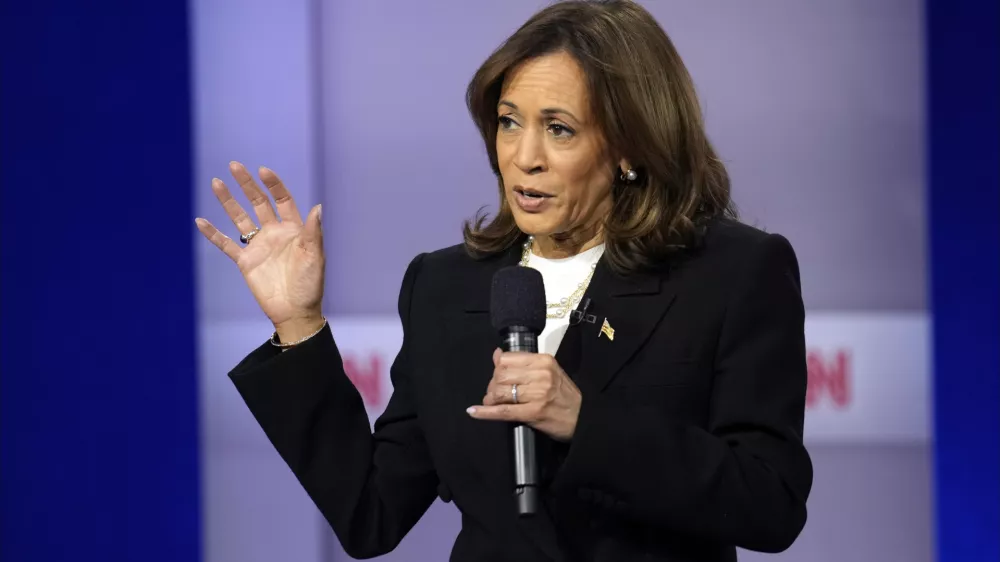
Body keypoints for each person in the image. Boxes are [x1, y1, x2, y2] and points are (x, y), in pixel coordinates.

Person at [195, 1, 813, 560]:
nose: (524, 156)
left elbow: (769, 501)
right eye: (509, 121)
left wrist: (586, 424)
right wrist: (298, 324)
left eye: (559, 128)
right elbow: (372, 514)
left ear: (629, 147)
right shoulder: (445, 285)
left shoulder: (728, 274)